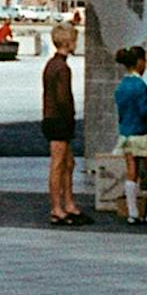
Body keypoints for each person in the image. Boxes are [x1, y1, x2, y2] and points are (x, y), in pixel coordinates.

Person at [41, 21, 84, 225]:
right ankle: (57, 207)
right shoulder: (62, 68)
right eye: (74, 40)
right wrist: (70, 116)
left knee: (68, 163)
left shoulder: (52, 64)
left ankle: (68, 203)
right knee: (58, 164)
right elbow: (63, 97)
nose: (76, 44)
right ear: (67, 42)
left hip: (52, 119)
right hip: (59, 120)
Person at [113, 46, 147, 225]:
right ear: (139, 62)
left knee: (131, 172)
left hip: (126, 133)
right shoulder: (140, 85)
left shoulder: (121, 86)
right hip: (141, 132)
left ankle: (132, 212)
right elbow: (145, 111)